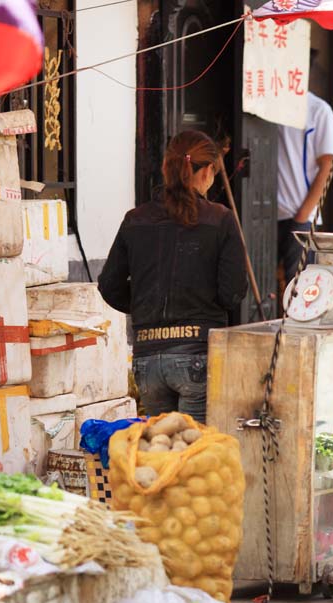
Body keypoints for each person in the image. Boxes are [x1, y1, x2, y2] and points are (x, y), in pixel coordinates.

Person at [98, 131, 247, 423]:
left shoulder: (135, 219)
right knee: (193, 457)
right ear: (206, 172)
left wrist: (145, 305)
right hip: (197, 356)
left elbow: (109, 286)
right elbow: (232, 292)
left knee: (164, 452)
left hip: (147, 360)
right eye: (214, 172)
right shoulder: (221, 219)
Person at [277, 90, 333, 283]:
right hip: (265, 214)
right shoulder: (267, 104)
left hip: (300, 216)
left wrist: (303, 215)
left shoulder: (318, 110)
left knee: (297, 288)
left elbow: (327, 166)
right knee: (263, 288)